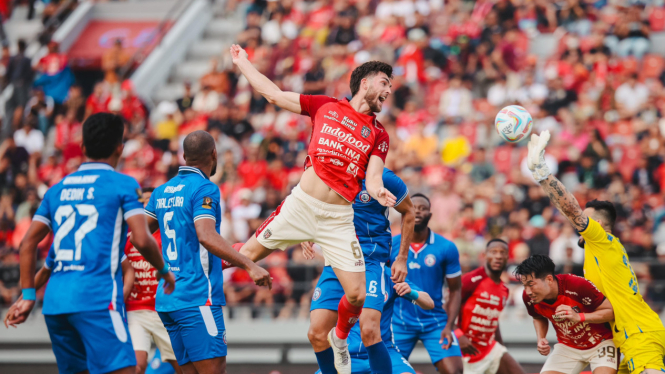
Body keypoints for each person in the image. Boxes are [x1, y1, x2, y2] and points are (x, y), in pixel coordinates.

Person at [230, 43, 399, 374]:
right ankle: (185, 273)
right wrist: (244, 63)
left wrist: (378, 190)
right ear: (364, 82)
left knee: (356, 296)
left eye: (390, 87)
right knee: (243, 254)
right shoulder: (325, 106)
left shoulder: (379, 134)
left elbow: (374, 175)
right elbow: (274, 94)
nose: (388, 91)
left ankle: (339, 338)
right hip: (301, 206)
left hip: (337, 219)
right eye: (384, 83)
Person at [5, 112, 176, 374]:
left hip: (55, 304)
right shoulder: (124, 184)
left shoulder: (56, 189)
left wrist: (28, 296)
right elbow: (141, 239)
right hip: (96, 300)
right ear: (120, 148)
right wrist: (164, 271)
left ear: (83, 148)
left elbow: (28, 243)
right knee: (127, 370)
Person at [528, 131, 665, 374]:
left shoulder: (603, 241)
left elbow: (571, 209)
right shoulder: (597, 253)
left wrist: (542, 174)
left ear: (598, 226)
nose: (579, 225)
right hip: (621, 337)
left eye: (586, 220)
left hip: (638, 332)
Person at [143, 130, 271, 374]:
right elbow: (206, 235)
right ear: (214, 154)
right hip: (197, 297)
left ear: (184, 155)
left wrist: (163, 265)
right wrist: (249, 265)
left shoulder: (160, 191)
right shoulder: (204, 188)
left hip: (168, 299)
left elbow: (140, 235)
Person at [307, 168, 415, 374]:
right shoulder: (329, 173)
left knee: (369, 330)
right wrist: (306, 233)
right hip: (337, 261)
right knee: (316, 334)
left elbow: (409, 211)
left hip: (370, 261)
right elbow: (313, 208)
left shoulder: (384, 178)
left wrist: (401, 258)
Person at [311, 262, 434, 374]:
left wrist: (412, 293)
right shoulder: (340, 276)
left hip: (384, 351)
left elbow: (429, 303)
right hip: (347, 355)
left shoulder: (388, 275)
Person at [391, 193, 464, 374]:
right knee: (384, 369)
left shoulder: (446, 247)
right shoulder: (391, 245)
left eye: (422, 208)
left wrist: (450, 326)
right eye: (413, 208)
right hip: (398, 324)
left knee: (455, 371)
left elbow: (455, 290)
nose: (417, 212)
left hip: (435, 323)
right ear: (404, 213)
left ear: (430, 215)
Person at [515, 255, 617, 374]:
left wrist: (578, 317)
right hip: (568, 347)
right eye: (524, 285)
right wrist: (541, 338)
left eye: (531, 284)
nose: (528, 291)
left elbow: (611, 312)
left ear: (549, 279)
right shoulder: (528, 297)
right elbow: (538, 317)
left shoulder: (577, 285)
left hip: (602, 342)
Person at [125, 188, 180, 374]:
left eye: (150, 202)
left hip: (163, 310)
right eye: (143, 202)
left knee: (183, 368)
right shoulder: (126, 236)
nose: (146, 206)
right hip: (135, 311)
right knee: (137, 366)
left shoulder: (169, 235)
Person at [456, 239, 526, 374]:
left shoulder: (504, 290)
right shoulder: (471, 280)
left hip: (490, 349)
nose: (498, 256)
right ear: (484, 255)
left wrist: (502, 348)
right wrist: (459, 336)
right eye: (493, 252)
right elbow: (445, 309)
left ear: (507, 257)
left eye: (502, 252)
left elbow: (493, 320)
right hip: (465, 350)